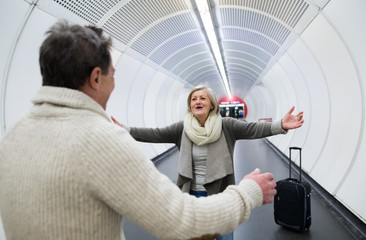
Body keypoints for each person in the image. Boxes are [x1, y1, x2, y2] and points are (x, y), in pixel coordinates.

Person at [0, 20, 278, 240]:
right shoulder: (101, 140)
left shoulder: (14, 134)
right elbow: (181, 220)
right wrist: (248, 193)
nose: (113, 82)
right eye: (113, 74)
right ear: (96, 77)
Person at [112, 85, 304, 240]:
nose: (197, 101)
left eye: (202, 98)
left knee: (223, 235)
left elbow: (253, 129)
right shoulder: (183, 128)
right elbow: (155, 133)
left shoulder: (226, 125)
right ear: (190, 105)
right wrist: (125, 129)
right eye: (193, 99)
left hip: (221, 193)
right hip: (191, 195)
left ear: (212, 104)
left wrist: (280, 125)